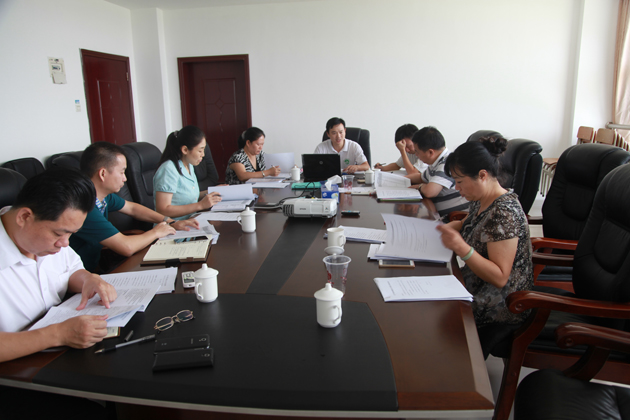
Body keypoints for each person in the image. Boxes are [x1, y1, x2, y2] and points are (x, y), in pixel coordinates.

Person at [0, 168, 117, 362]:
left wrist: (88, 279)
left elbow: (70, 270)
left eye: (71, 233)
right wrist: (57, 334)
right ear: (24, 217)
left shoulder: (42, 239)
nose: (65, 243)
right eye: (58, 234)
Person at [436, 136, 533, 359]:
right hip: (476, 283)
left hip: (501, 303)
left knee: (431, 311)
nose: (457, 189)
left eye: (460, 182)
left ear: (482, 175)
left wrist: (462, 248)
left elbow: (499, 277)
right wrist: (444, 228)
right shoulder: (482, 198)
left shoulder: (504, 213)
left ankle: (456, 371)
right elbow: (468, 223)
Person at [70, 142, 198, 273]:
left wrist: (170, 221)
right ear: (103, 174)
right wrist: (156, 232)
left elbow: (132, 208)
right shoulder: (85, 207)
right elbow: (127, 247)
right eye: (122, 172)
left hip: (92, 268)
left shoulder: (103, 197)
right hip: (80, 275)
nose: (125, 178)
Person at [154, 126, 222, 220]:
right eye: (200, 150)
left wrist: (213, 191)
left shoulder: (189, 165)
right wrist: (200, 205)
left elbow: (189, 196)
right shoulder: (168, 169)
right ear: (185, 150)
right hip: (172, 225)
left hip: (191, 220)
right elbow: (163, 210)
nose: (203, 155)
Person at [406, 126, 469, 217]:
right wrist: (400, 180)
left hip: (454, 218)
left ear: (430, 152)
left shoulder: (448, 163)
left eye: (417, 152)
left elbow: (430, 192)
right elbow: (421, 177)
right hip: (436, 213)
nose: (416, 155)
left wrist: (420, 187)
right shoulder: (436, 162)